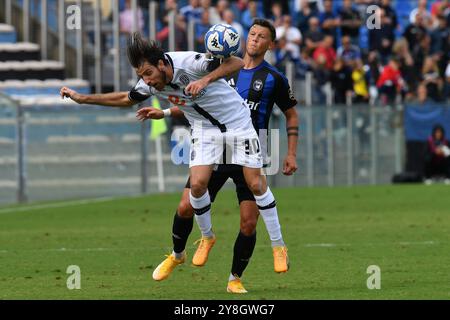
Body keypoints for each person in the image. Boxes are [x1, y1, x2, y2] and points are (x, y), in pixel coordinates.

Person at [60, 32, 291, 294]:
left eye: (147, 73)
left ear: (162, 64)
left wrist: (204, 80)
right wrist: (83, 98)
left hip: (238, 126)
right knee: (197, 186)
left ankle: (278, 245)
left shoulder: (191, 63)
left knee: (255, 184)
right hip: (205, 130)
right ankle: (206, 237)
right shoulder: (150, 82)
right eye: (141, 75)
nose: (145, 81)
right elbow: (126, 98)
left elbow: (236, 63)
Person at [138, 19, 298, 294]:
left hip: (250, 143)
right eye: (252, 33)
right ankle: (177, 254)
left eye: (261, 36)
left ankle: (235, 278)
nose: (255, 39)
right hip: (215, 145)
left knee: (248, 221)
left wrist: (291, 153)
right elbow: (195, 104)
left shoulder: (275, 79)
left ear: (270, 45)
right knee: (187, 204)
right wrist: (164, 113)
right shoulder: (218, 69)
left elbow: (291, 113)